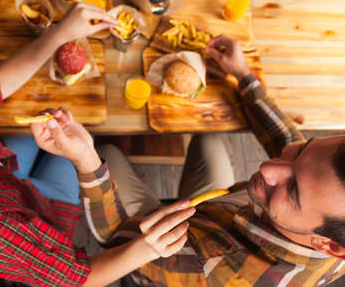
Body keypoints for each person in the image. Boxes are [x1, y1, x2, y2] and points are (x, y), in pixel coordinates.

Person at [0, 3, 195, 287]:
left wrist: (60, 32)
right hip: (40, 212)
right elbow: (79, 279)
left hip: (6, 177)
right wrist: (147, 247)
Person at [77, 35, 344, 286]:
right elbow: (292, 146)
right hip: (217, 209)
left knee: (106, 154)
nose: (267, 167)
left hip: (155, 251)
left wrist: (86, 162)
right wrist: (243, 75)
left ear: (330, 247)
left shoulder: (212, 267)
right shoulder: (328, 215)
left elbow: (116, 242)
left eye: (293, 189)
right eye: (302, 152)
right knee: (209, 140)